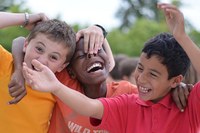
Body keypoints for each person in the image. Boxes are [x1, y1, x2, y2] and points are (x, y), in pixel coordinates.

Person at [22, 3, 199, 132]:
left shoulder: (188, 106)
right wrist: (56, 86)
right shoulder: (129, 104)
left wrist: (181, 36)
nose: (142, 78)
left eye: (153, 74)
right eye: (140, 68)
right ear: (68, 69)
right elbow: (90, 106)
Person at [0, 11, 108, 133]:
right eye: (39, 49)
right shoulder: (7, 64)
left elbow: (107, 65)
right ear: (26, 44)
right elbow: (18, 40)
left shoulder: (58, 85)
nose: (42, 60)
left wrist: (98, 29)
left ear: (62, 66)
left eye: (53, 57)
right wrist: (26, 18)